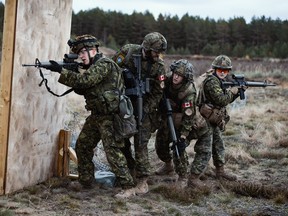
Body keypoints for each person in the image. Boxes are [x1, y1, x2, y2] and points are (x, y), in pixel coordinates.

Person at [47, 34, 137, 198]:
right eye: (79, 53)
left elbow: (85, 82)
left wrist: (61, 70)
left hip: (110, 117)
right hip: (97, 115)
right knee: (83, 145)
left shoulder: (104, 64)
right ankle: (86, 182)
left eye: (82, 53)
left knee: (113, 152)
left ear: (93, 50)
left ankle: (129, 186)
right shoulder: (93, 66)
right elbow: (84, 88)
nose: (80, 57)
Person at [112, 32, 167, 194]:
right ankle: (130, 169)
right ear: (147, 48)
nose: (158, 55)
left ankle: (143, 180)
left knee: (141, 144)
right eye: (156, 52)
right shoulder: (128, 52)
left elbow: (158, 92)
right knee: (121, 138)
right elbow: (111, 69)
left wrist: (146, 109)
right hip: (124, 105)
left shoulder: (159, 66)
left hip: (145, 108)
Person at [188, 54, 243, 187]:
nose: (223, 73)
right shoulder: (211, 81)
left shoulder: (219, 81)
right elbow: (221, 99)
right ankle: (193, 177)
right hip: (205, 119)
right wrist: (234, 92)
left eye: (225, 71)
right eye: (220, 70)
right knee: (205, 149)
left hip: (214, 119)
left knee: (218, 146)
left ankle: (220, 171)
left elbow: (225, 100)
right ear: (214, 69)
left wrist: (236, 92)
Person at [154, 59, 197, 188]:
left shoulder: (189, 92)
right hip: (167, 118)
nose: (176, 77)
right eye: (175, 73)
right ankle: (168, 166)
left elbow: (189, 117)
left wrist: (183, 136)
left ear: (185, 78)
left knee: (178, 148)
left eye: (180, 75)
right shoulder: (167, 80)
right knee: (160, 144)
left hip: (182, 121)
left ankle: (183, 176)